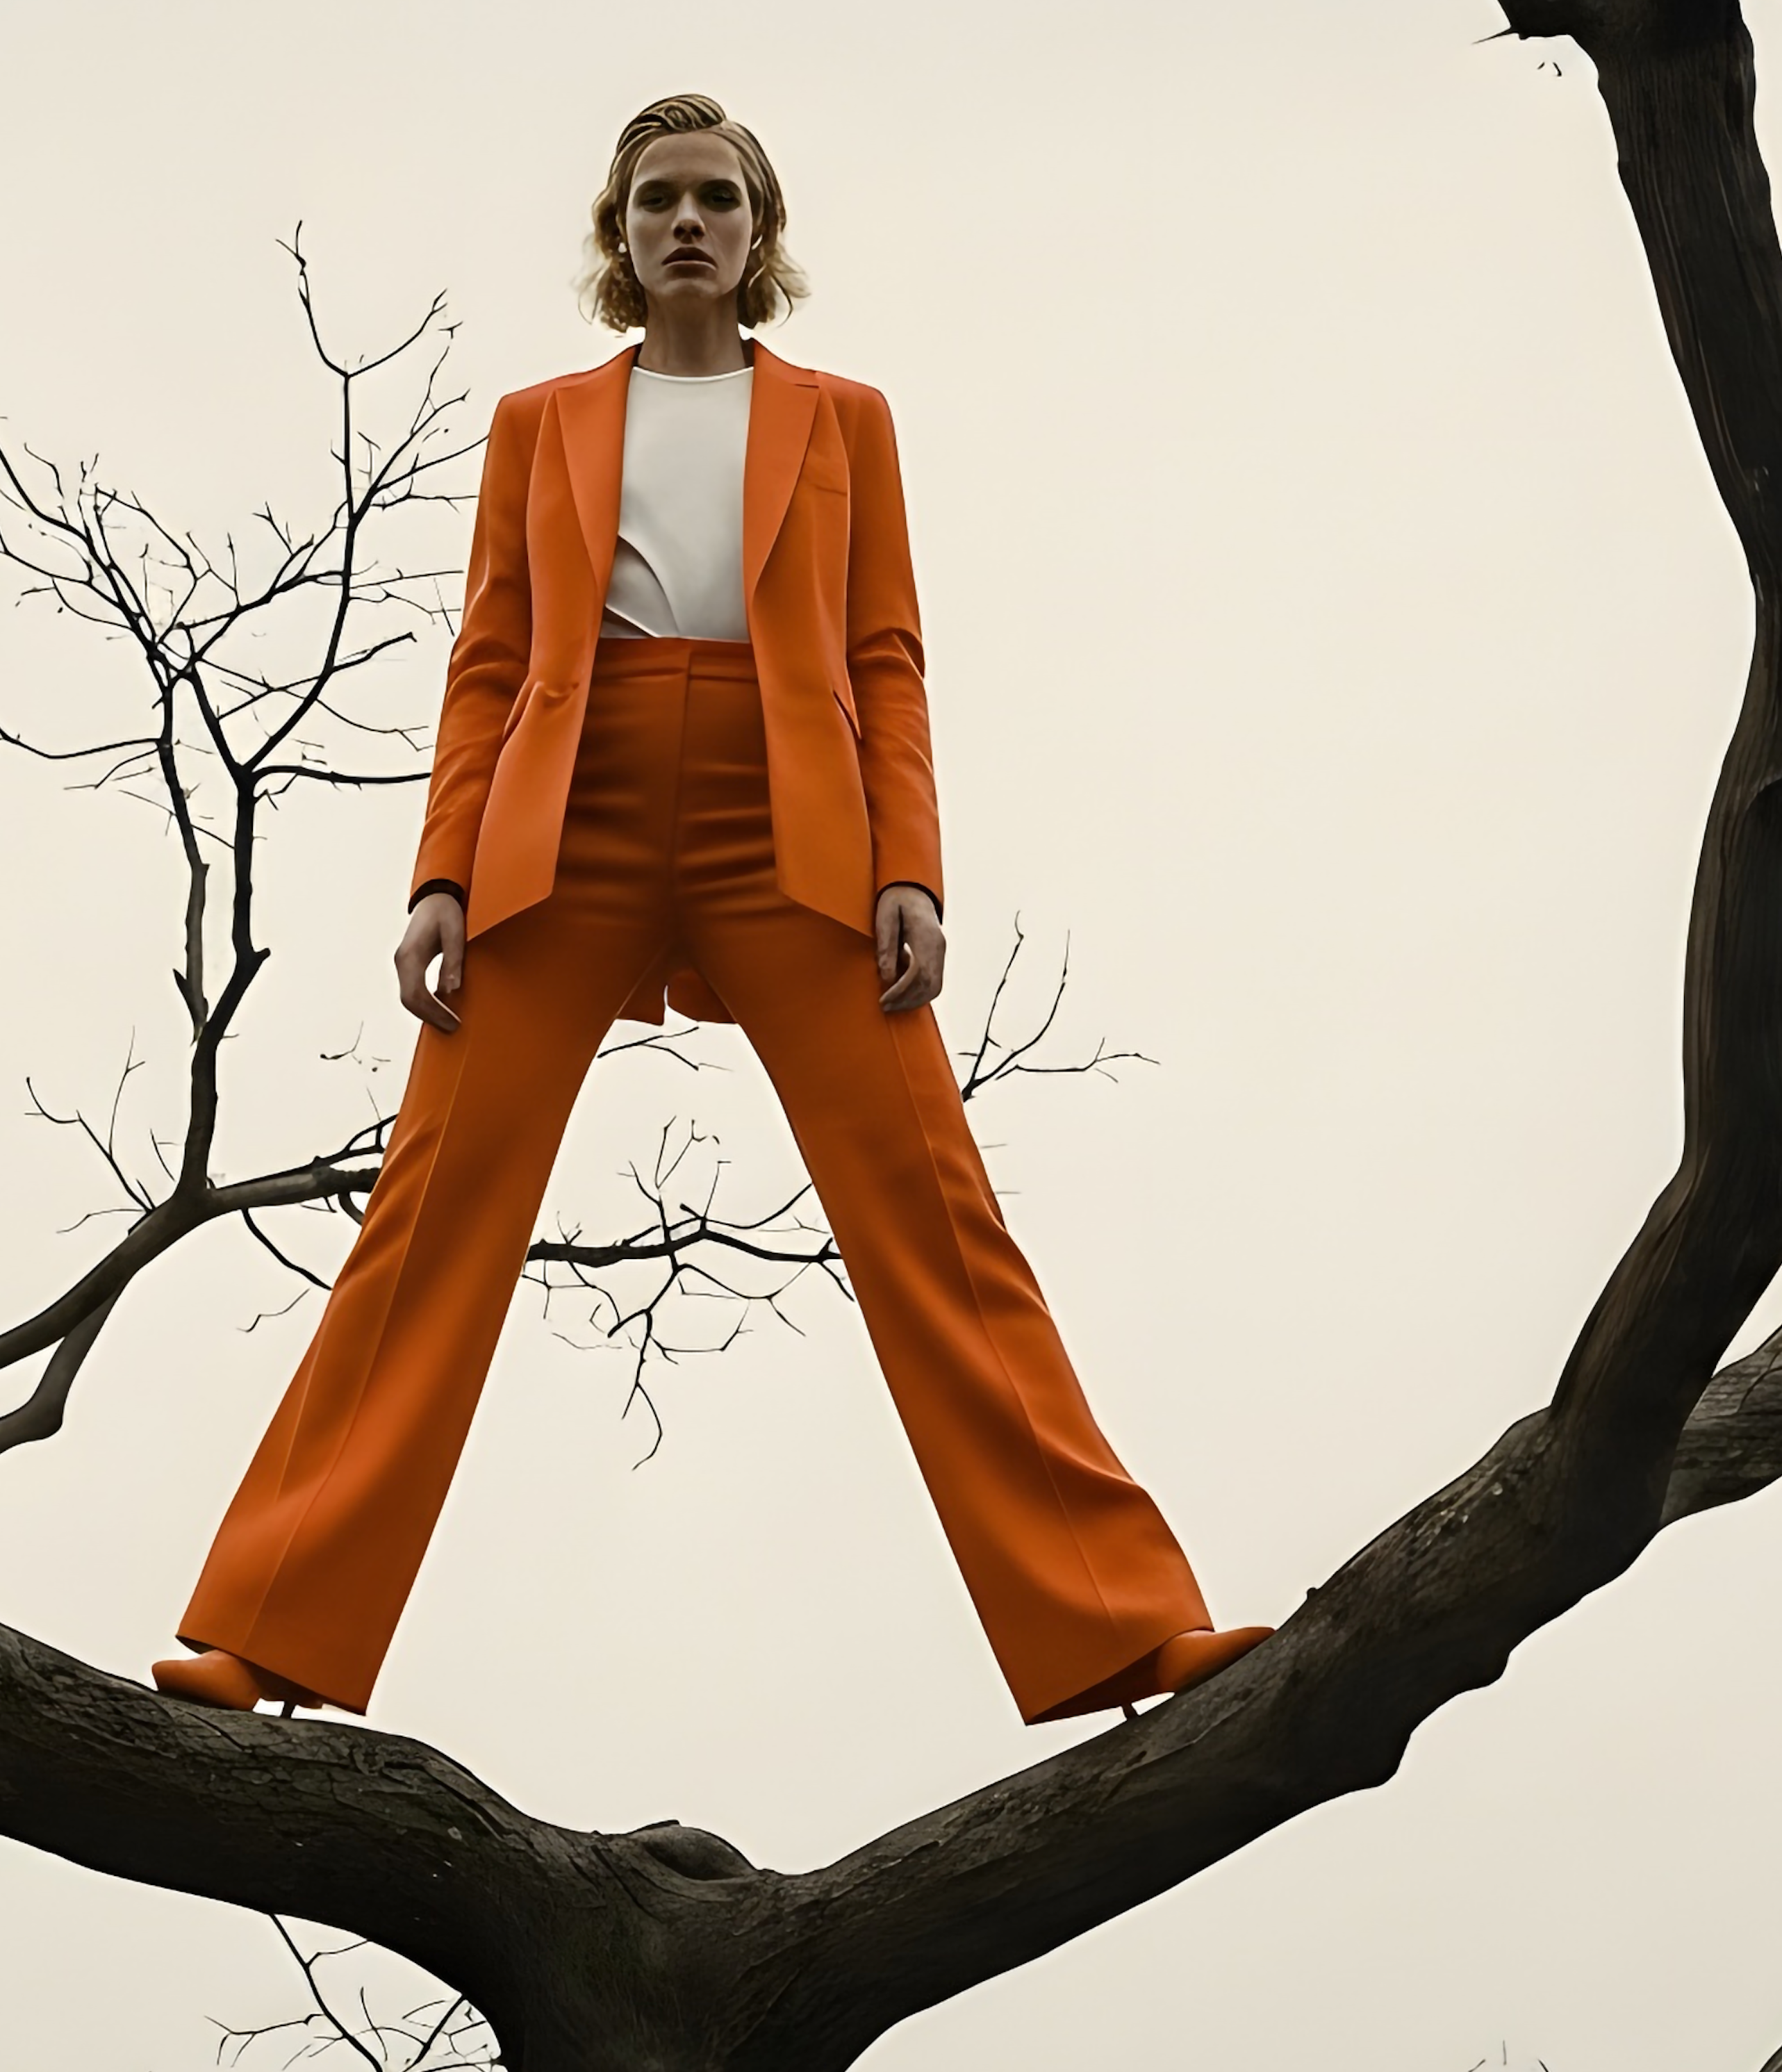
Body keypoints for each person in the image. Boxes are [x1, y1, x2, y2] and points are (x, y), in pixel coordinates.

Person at [151, 93, 1267, 1725]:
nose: (689, 221)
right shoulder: (537, 424)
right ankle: (264, 1632)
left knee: (934, 1212)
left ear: (760, 232)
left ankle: (1122, 1624)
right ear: (620, 234)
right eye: (659, 199)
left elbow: (885, 656)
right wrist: (441, 876)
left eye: (719, 199)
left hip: (787, 829)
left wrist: (909, 868)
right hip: (567, 822)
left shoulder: (845, 421)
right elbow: (488, 661)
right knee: (431, 1214)